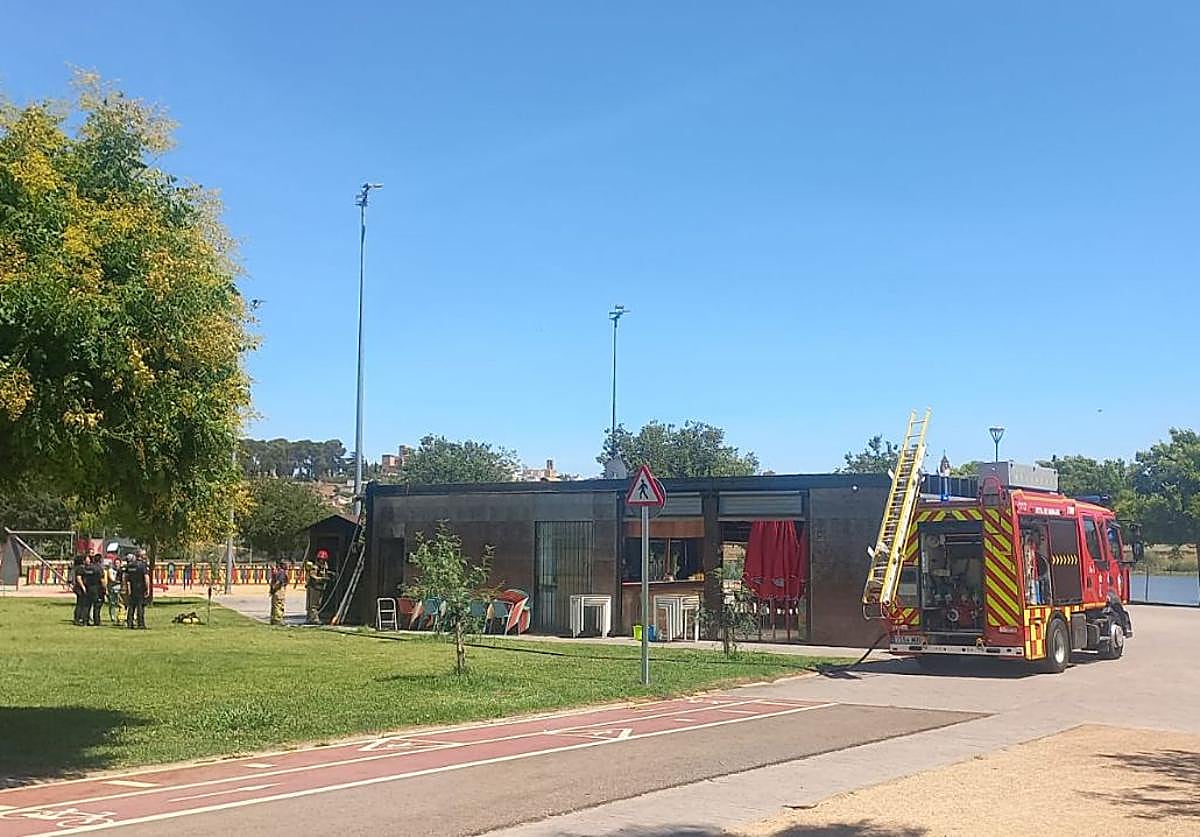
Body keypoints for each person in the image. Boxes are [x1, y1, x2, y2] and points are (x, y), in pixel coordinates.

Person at [299, 551, 328, 625]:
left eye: (324, 560)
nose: (322, 561)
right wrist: (321, 579)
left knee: (316, 604)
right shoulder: (315, 567)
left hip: (319, 587)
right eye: (321, 559)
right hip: (314, 587)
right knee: (313, 604)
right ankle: (314, 619)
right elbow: (313, 576)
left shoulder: (324, 567)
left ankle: (310, 618)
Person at [125, 549, 150, 629]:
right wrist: (147, 589)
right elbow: (146, 578)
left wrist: (127, 588)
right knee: (140, 606)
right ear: (142, 556)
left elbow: (126, 578)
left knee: (131, 606)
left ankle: (129, 623)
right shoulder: (143, 565)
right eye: (145, 554)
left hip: (132, 587)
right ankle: (141, 624)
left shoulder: (130, 565)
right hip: (140, 588)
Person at [83, 553, 105, 626]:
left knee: (87, 605)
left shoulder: (87, 568)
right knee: (97, 606)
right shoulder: (99, 568)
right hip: (97, 588)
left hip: (88, 587)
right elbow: (102, 580)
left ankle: (85, 621)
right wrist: (104, 588)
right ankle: (97, 621)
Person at [269, 557, 288, 625]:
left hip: (276, 590)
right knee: (279, 605)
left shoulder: (277, 572)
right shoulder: (281, 572)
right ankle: (278, 619)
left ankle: (274, 619)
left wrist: (272, 591)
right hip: (279, 590)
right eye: (284, 564)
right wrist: (274, 589)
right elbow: (279, 582)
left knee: (275, 605)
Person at [71, 555, 88, 626]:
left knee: (79, 603)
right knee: (81, 604)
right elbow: (79, 578)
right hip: (80, 588)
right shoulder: (80, 568)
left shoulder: (76, 568)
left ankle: (77, 618)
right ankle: (78, 618)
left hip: (77, 587)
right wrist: (83, 587)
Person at [105, 553, 122, 624]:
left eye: (118, 563)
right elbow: (112, 579)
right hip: (112, 589)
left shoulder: (122, 570)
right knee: (112, 604)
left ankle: (120, 617)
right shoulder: (111, 570)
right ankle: (112, 617)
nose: (117, 564)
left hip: (120, 589)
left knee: (120, 604)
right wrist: (119, 580)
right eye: (116, 563)